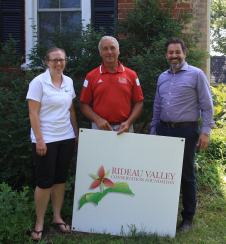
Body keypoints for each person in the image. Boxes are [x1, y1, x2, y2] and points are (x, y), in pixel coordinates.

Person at [150, 37, 215, 233]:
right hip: (163, 130)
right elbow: (157, 105)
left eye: (177, 52)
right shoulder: (162, 77)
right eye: (170, 53)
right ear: (166, 55)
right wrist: (154, 129)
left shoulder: (196, 75)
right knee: (161, 174)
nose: (174, 56)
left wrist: (206, 132)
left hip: (186, 131)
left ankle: (187, 218)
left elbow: (207, 105)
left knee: (186, 176)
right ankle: (162, 213)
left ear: (184, 53)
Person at [26, 47, 78, 240]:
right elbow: (33, 113)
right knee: (44, 181)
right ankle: (39, 222)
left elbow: (71, 111)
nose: (58, 63)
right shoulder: (38, 82)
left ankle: (57, 217)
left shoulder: (69, 81)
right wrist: (39, 140)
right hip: (45, 139)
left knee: (60, 179)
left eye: (62, 60)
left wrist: (75, 134)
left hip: (66, 137)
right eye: (54, 60)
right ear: (47, 62)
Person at [79, 36, 144, 134]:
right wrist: (97, 119)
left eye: (112, 48)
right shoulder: (91, 76)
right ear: (100, 53)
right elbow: (83, 104)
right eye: (105, 49)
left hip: (125, 127)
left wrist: (128, 123)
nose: (109, 52)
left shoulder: (131, 75)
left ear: (118, 51)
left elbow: (139, 102)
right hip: (100, 127)